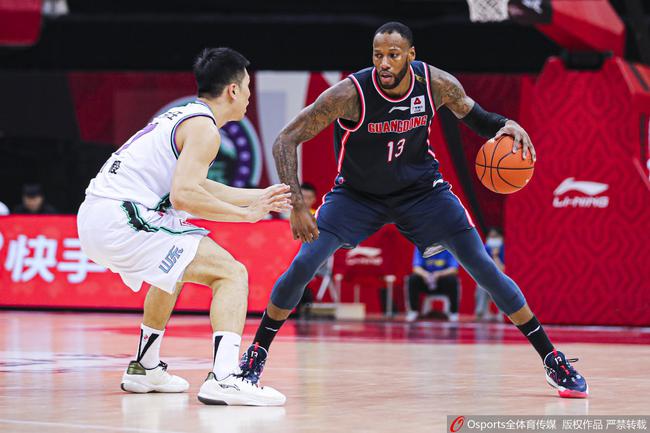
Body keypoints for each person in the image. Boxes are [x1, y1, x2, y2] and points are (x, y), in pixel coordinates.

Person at [239, 22, 588, 399]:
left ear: (410, 55)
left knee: (484, 267)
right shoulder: (350, 94)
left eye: (393, 55)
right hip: (357, 196)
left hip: (421, 192)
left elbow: (476, 117)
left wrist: (507, 124)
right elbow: (285, 139)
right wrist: (297, 205)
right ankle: (256, 354)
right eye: (377, 55)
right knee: (304, 264)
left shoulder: (436, 84)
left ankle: (552, 358)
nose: (384, 63)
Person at [77, 47, 291, 406]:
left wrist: (258, 196)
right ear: (233, 90)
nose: (249, 96)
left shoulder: (185, 116)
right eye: (247, 88)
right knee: (231, 273)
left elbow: (197, 183)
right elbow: (185, 195)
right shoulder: (205, 130)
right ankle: (224, 378)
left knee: (171, 268)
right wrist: (245, 215)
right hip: (121, 217)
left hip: (98, 215)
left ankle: (145, 367)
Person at [406, 248, 460, 322]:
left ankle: (453, 312)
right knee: (413, 279)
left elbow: (454, 269)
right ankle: (413, 311)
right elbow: (416, 268)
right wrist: (425, 274)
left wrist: (439, 274)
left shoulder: (448, 248)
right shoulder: (421, 247)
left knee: (452, 280)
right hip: (426, 281)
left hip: (442, 282)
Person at [475, 227, 505, 322]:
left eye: (495, 236)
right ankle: (480, 312)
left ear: (501, 238)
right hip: (487, 279)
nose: (492, 239)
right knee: (481, 285)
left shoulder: (504, 249)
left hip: (502, 279)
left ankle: (503, 314)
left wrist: (495, 256)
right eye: (490, 236)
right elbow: (480, 268)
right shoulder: (485, 248)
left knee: (502, 286)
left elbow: (502, 269)